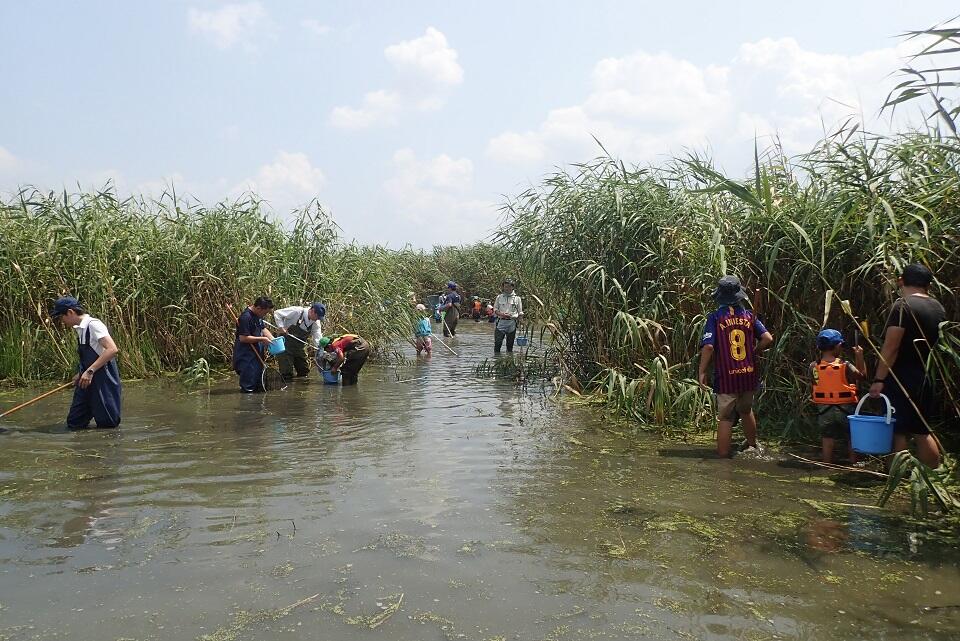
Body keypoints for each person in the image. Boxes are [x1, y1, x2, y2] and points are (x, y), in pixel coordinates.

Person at [869, 263, 946, 468]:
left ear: (901, 280)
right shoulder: (938, 307)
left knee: (897, 429)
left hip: (902, 376)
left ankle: (895, 474)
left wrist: (878, 379)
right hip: (926, 373)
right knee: (922, 430)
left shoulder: (902, 305)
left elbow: (891, 346)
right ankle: (933, 475)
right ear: (929, 285)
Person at [697, 276, 774, 457]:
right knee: (746, 410)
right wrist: (754, 351)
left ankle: (723, 458)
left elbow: (708, 346)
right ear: (739, 296)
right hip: (748, 372)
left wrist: (701, 371)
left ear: (720, 296)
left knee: (725, 417)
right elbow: (768, 338)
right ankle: (753, 446)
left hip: (726, 376)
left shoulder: (715, 317)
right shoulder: (749, 315)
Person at [51, 296, 122, 429]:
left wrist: (90, 371)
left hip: (103, 380)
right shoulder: (80, 329)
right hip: (86, 380)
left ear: (71, 312)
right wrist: (81, 373)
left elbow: (112, 349)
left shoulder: (94, 325)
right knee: (74, 422)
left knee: (107, 425)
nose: (62, 321)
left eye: (61, 317)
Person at [811, 329, 866, 464]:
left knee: (827, 437)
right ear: (837, 346)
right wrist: (860, 356)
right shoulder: (845, 365)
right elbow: (863, 376)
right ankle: (853, 464)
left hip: (824, 409)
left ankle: (827, 464)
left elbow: (814, 383)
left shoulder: (813, 366)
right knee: (852, 436)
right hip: (846, 408)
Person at [272, 302, 325, 381]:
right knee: (286, 373)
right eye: (317, 317)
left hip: (299, 347)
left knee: (304, 372)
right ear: (312, 311)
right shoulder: (297, 311)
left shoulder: (316, 323)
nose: (317, 319)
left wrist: (320, 349)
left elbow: (317, 337)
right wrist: (281, 327)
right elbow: (277, 313)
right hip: (285, 344)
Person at [233, 297, 275, 393]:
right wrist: (262, 339)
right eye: (265, 313)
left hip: (256, 352)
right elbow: (243, 338)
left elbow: (263, 329)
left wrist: (273, 340)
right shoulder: (246, 317)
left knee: (258, 381)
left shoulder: (258, 316)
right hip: (246, 354)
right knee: (248, 384)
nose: (265, 315)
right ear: (259, 308)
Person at [493, 279, 523, 353]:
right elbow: (495, 309)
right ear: (503, 287)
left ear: (513, 287)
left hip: (512, 323)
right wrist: (502, 314)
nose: (507, 288)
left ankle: (509, 361)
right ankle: (497, 360)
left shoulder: (517, 298)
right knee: (497, 345)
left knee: (510, 347)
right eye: (505, 287)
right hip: (501, 323)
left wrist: (521, 322)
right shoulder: (499, 297)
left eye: (509, 287)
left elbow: (520, 312)